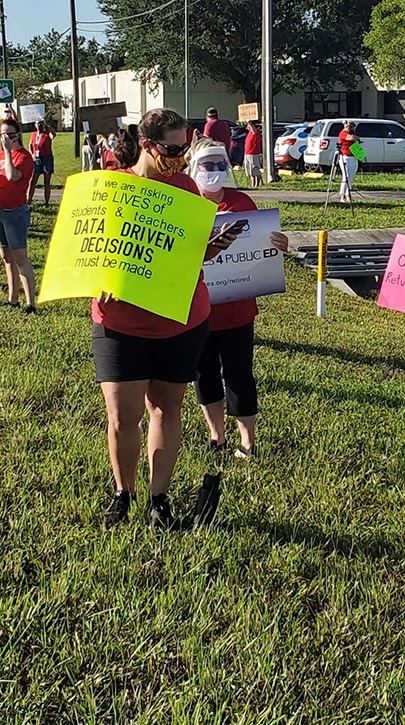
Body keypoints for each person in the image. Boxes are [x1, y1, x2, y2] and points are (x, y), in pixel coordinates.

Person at [96, 108, 239, 530]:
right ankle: (124, 493)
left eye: (184, 148)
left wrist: (215, 247)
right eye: (173, 149)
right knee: (123, 416)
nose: (180, 158)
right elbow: (86, 249)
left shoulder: (187, 190)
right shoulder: (114, 187)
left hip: (181, 321)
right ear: (147, 146)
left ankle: (159, 499)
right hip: (120, 321)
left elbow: (190, 256)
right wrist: (97, 276)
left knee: (166, 410)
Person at [187, 136, 289, 461]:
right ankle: (216, 435)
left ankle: (247, 442)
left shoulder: (243, 202)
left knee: (239, 375)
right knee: (204, 375)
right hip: (195, 311)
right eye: (206, 165)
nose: (214, 171)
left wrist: (278, 244)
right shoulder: (183, 204)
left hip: (238, 311)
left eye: (219, 164)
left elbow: (260, 247)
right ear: (193, 167)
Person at [0, 118, 37, 313]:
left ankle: (30, 302)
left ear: (17, 135)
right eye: (3, 135)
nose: (6, 138)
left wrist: (7, 151)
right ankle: (13, 298)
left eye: (10, 134)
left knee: (20, 257)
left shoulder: (24, 157)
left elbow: (12, 176)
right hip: (1, 210)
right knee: (6, 256)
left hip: (14, 212)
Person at [26, 120, 56, 204]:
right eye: (37, 123)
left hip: (47, 159)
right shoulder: (33, 134)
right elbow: (30, 144)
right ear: (35, 125)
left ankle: (46, 202)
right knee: (32, 181)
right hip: (37, 159)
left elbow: (54, 134)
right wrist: (32, 154)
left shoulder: (47, 134)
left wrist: (47, 126)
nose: (39, 125)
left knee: (46, 182)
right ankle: (28, 201)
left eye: (40, 123)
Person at [337, 121, 360, 203]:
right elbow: (350, 138)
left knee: (351, 177)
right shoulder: (343, 133)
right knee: (345, 177)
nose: (350, 129)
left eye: (352, 127)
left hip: (353, 157)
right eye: (349, 127)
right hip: (345, 157)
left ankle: (348, 193)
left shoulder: (352, 134)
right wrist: (356, 137)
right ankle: (343, 195)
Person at [243, 121, 262, 188]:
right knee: (250, 172)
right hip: (247, 153)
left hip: (254, 154)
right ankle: (252, 184)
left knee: (255, 170)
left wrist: (249, 123)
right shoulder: (249, 133)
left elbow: (253, 130)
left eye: (249, 126)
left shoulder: (256, 132)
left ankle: (256, 185)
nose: (247, 127)